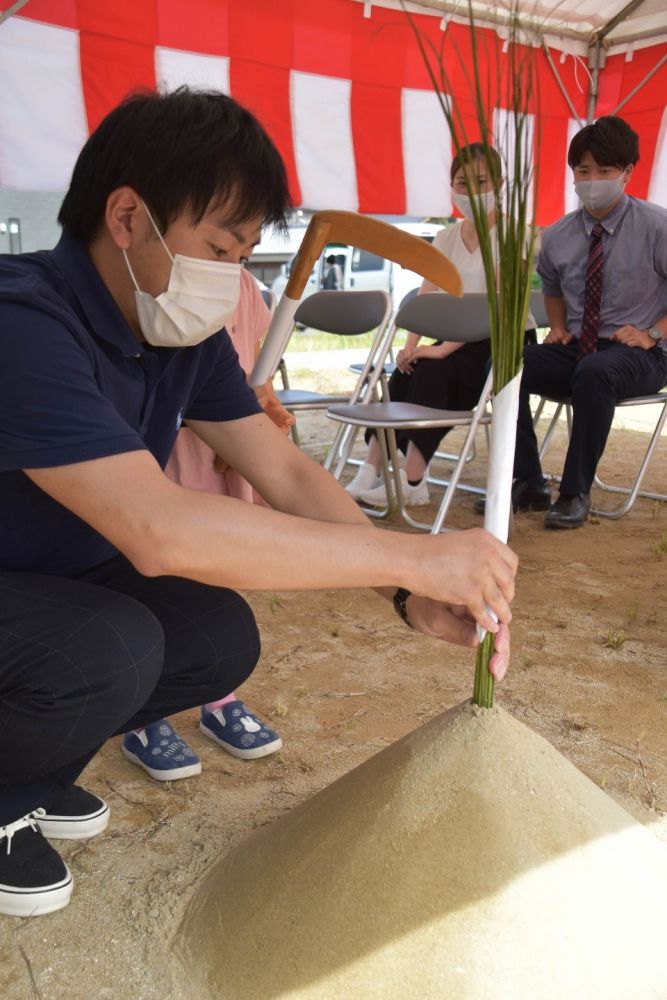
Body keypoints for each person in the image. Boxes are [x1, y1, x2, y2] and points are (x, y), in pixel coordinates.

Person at [0, 87, 516, 918]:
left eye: (244, 255)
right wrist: (413, 552)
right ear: (127, 215)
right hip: (31, 594)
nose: (230, 281)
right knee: (109, 648)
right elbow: (159, 529)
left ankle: (23, 778)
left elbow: (286, 474)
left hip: (43, 584)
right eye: (217, 248)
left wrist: (405, 588)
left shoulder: (175, 334)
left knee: (214, 635)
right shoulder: (22, 321)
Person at [121, 269, 295, 779]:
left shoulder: (240, 286)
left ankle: (220, 696)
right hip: (171, 448)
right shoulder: (157, 280)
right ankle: (145, 716)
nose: (238, 256)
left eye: (248, 246)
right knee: (163, 568)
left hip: (229, 444)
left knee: (217, 572)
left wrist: (265, 407)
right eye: (226, 245)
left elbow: (253, 367)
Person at [498, 115, 667, 529]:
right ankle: (528, 480)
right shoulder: (556, 235)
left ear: (627, 172)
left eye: (604, 171)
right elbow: (552, 286)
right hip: (580, 348)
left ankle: (575, 492)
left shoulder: (657, 227)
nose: (592, 180)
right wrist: (557, 325)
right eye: (583, 171)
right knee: (507, 364)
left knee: (595, 371)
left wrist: (653, 333)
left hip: (640, 353)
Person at [346, 144, 535, 507]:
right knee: (407, 369)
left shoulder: (514, 233)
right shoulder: (446, 236)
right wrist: (411, 345)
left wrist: (442, 347)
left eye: (481, 182)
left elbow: (495, 301)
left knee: (436, 370)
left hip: (500, 336)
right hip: (455, 330)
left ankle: (414, 480)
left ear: (499, 184)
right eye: (462, 183)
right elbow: (427, 296)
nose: (471, 191)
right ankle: (368, 471)